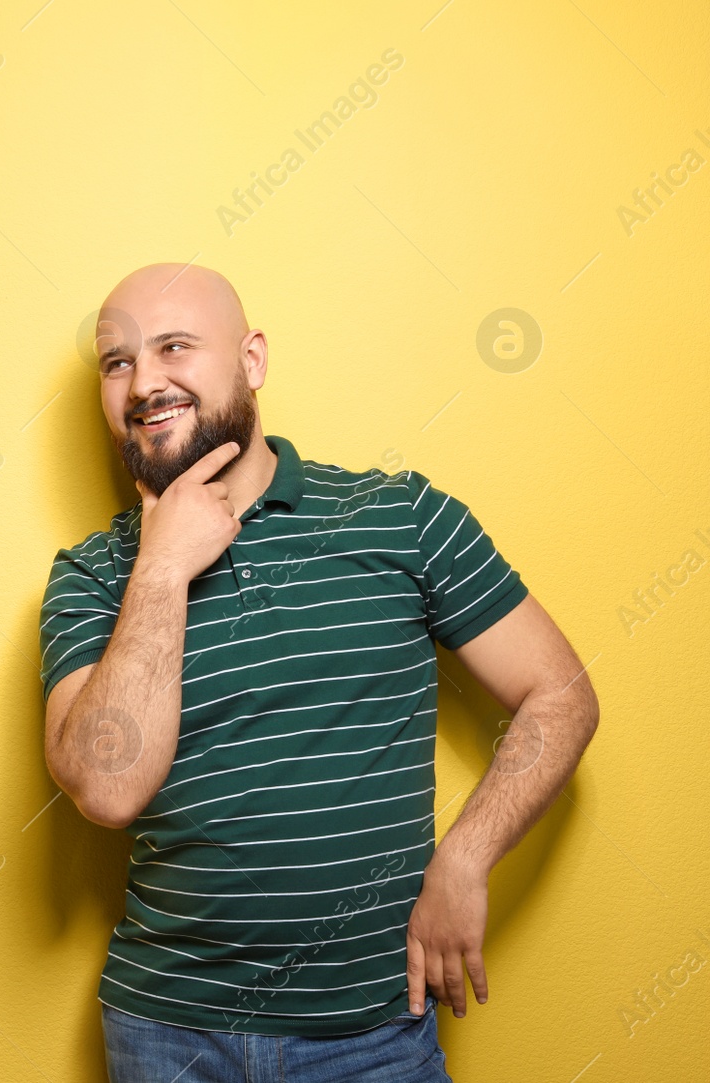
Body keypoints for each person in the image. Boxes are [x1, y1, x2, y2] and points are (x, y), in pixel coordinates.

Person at [38, 263, 600, 1081]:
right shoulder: (92, 573)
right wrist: (159, 568)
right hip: (168, 1037)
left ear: (252, 361)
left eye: (174, 347)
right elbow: (107, 787)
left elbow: (562, 693)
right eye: (117, 360)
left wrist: (465, 859)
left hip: (374, 1040)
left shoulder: (399, 515)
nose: (143, 382)